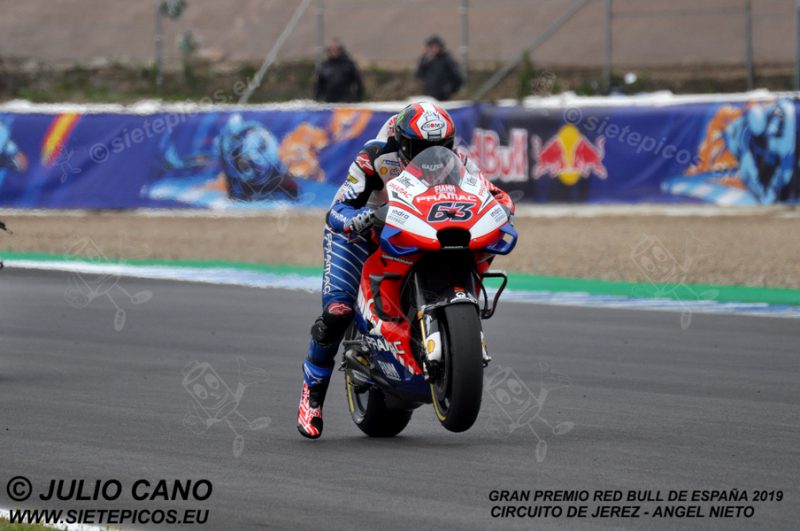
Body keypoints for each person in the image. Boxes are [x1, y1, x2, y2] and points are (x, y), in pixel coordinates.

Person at [297, 101, 515, 439]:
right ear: (401, 143)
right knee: (338, 309)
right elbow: (336, 207)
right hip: (363, 230)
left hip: (414, 229)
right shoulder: (375, 156)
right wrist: (356, 220)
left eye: (441, 148)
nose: (433, 156)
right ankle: (312, 395)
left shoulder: (459, 162)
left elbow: (490, 191)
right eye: (421, 149)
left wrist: (503, 205)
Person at [314, 39, 364, 103]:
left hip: (345, 102)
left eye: (336, 49)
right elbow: (319, 85)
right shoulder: (324, 66)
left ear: (340, 50)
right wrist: (318, 99)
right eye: (332, 49)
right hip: (328, 102)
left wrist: (357, 99)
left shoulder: (348, 65)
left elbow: (359, 83)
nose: (334, 51)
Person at [415, 35, 463, 101]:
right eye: (431, 47)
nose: (434, 49)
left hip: (442, 97)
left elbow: (458, 78)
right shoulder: (428, 60)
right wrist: (424, 58)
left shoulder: (447, 59)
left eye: (436, 46)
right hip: (428, 95)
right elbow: (419, 75)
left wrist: (449, 90)